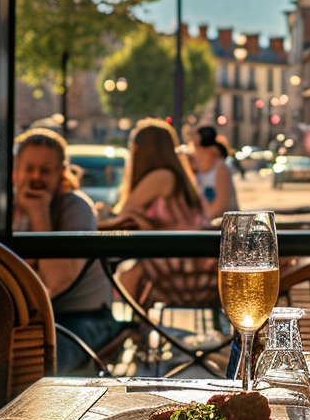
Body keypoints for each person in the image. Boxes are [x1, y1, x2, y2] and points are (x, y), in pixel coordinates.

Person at [12, 128, 122, 373]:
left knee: (32, 364)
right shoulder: (6, 208)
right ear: (16, 171)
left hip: (83, 317)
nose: (36, 177)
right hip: (26, 318)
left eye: (45, 170)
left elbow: (54, 284)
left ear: (61, 172)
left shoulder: (76, 208)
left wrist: (39, 214)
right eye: (29, 169)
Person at [99, 119, 209, 298]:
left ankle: (127, 325)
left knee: (126, 276)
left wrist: (138, 220)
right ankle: (134, 325)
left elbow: (126, 212)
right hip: (188, 257)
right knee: (129, 273)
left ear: (141, 149)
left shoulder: (161, 176)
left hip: (181, 264)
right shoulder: (173, 175)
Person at [187, 124, 240, 220]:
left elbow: (219, 208)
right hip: (207, 224)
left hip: (222, 226)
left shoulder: (220, 167)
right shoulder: (196, 168)